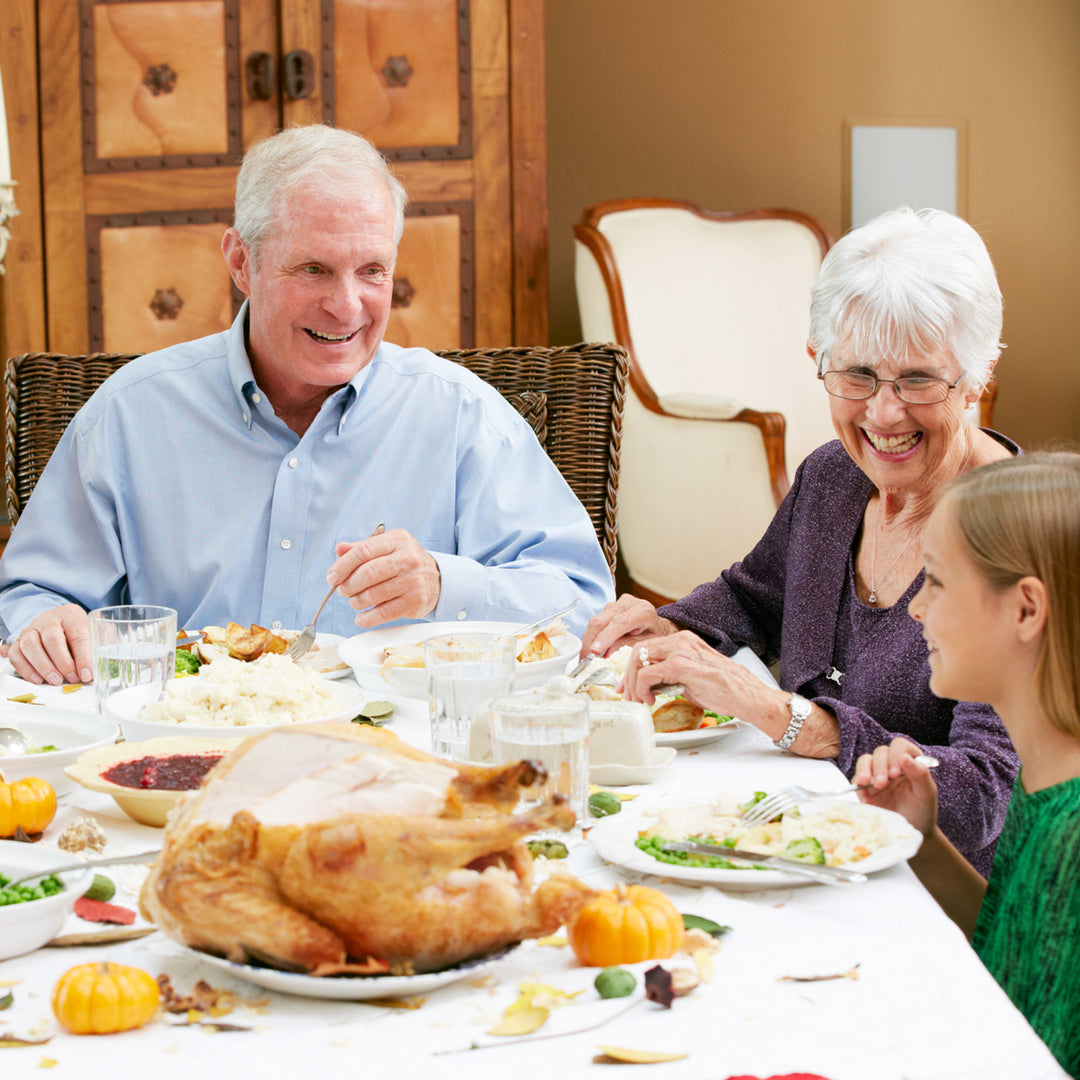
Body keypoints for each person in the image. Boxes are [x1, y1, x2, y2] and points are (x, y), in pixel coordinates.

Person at [0, 125, 614, 685]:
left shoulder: (461, 416)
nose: (347, 306)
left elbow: (583, 603)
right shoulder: (130, 416)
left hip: (400, 760)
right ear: (242, 261)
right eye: (315, 269)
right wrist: (47, 624)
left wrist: (443, 585)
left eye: (372, 271)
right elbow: (31, 593)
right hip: (182, 749)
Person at [581, 207, 1018, 876]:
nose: (883, 412)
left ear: (978, 375)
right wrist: (663, 624)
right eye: (857, 376)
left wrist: (793, 719)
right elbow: (752, 595)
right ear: (818, 362)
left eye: (919, 380)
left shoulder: (1020, 534)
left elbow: (985, 792)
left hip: (933, 890)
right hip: (799, 839)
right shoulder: (833, 478)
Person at [854, 453, 1080, 1078]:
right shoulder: (1046, 779)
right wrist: (923, 842)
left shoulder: (1072, 833)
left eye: (936, 581)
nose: (916, 609)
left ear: (1026, 610)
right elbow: (1015, 950)